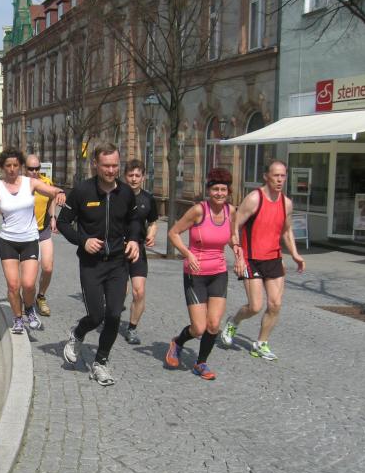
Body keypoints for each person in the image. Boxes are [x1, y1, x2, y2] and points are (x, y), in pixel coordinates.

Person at [57, 142, 141, 386]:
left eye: (115, 165)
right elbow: (63, 223)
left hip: (117, 263)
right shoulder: (82, 191)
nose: (111, 170)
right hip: (91, 264)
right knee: (96, 316)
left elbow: (135, 220)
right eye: (106, 166)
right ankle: (78, 333)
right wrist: (83, 241)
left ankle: (100, 362)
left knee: (113, 315)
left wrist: (134, 239)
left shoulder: (126, 193)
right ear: (95, 164)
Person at [220, 159, 306, 360]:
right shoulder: (254, 199)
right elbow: (234, 227)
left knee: (275, 304)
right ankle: (233, 321)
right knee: (255, 306)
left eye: (283, 176)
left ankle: (261, 343)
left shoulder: (286, 203)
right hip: (251, 259)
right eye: (276, 175)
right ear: (266, 176)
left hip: (274, 259)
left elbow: (287, 231)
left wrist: (295, 254)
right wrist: (239, 256)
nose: (280, 180)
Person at [164, 168, 242, 380]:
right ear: (209, 190)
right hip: (195, 274)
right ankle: (178, 342)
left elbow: (232, 236)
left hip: (218, 272)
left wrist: (238, 252)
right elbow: (173, 233)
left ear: (228, 191)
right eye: (215, 189)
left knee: (214, 324)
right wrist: (188, 254)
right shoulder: (198, 211)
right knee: (199, 328)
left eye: (223, 189)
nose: (219, 193)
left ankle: (201, 363)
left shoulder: (231, 211)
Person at [0, 147, 65, 335]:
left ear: (20, 166)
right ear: (2, 167)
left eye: (15, 165)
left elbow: (51, 190)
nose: (12, 169)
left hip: (30, 240)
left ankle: (30, 308)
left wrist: (59, 192)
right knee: (13, 285)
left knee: (28, 284)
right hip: (8, 241)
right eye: (8, 165)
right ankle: (18, 318)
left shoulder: (30, 183)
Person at [122, 159, 158, 345]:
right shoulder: (116, 195)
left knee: (139, 292)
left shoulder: (148, 199)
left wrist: (151, 234)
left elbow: (153, 222)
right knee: (121, 292)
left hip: (138, 249)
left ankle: (132, 328)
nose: (134, 179)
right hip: (118, 249)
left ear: (143, 177)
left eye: (137, 175)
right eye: (131, 175)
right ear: (125, 176)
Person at [25, 154, 57, 317]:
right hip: (25, 233)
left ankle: (41, 297)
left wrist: (53, 217)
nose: (35, 171)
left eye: (37, 168)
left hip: (43, 230)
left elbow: (52, 198)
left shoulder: (46, 182)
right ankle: (26, 300)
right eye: (31, 169)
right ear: (25, 169)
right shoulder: (20, 184)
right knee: (29, 273)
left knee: (48, 267)